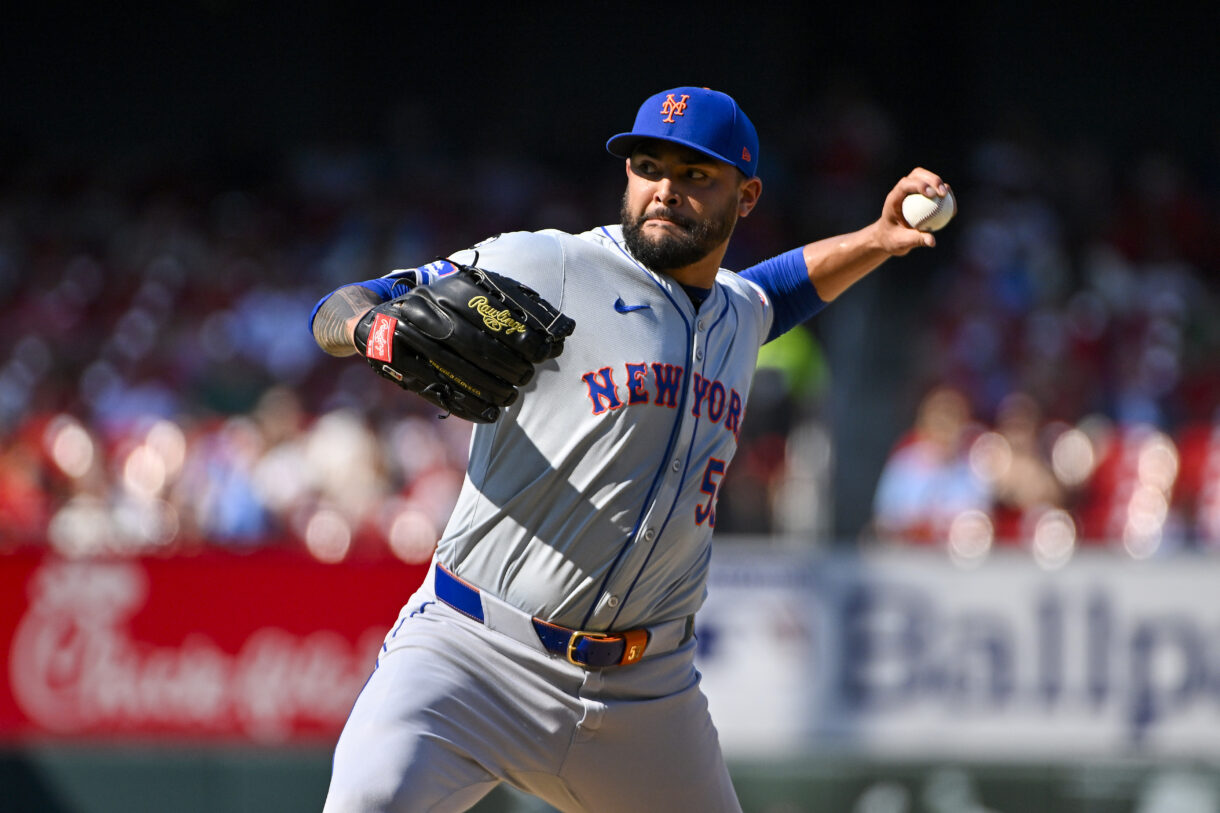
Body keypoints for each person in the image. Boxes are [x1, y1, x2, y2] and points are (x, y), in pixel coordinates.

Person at [310, 86, 950, 813]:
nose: (665, 191)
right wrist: (377, 331)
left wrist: (876, 238)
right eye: (648, 166)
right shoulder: (550, 264)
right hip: (472, 655)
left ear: (747, 197)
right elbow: (337, 305)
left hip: (645, 695)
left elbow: (778, 291)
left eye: (695, 176)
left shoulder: (738, 311)